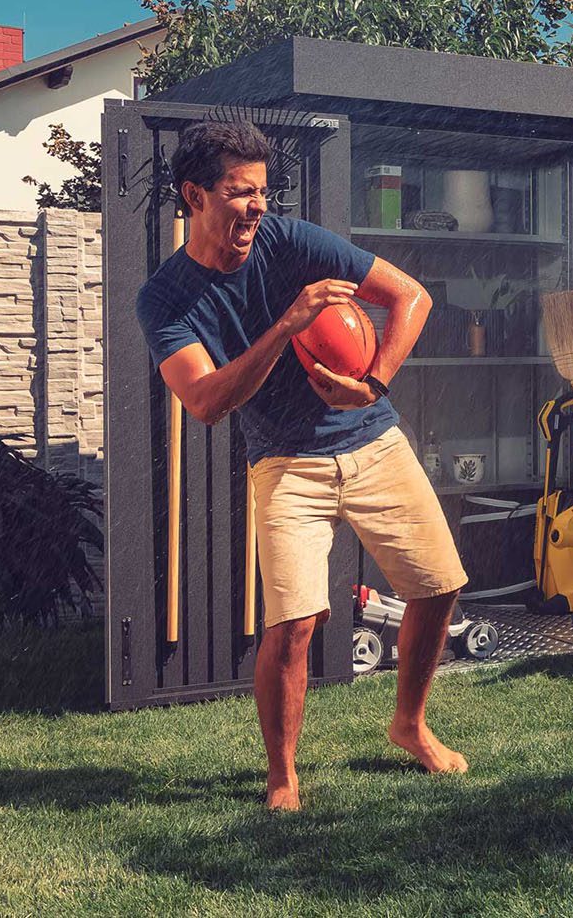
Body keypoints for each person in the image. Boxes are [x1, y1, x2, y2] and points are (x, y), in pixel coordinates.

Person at [136, 121, 470, 811]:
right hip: (287, 462)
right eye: (240, 192)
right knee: (293, 623)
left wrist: (374, 381)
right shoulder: (167, 297)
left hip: (373, 438)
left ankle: (409, 723)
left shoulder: (290, 239)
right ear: (195, 195)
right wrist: (285, 325)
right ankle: (282, 774)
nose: (257, 207)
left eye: (262, 191)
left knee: (438, 584)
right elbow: (204, 400)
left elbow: (412, 295)